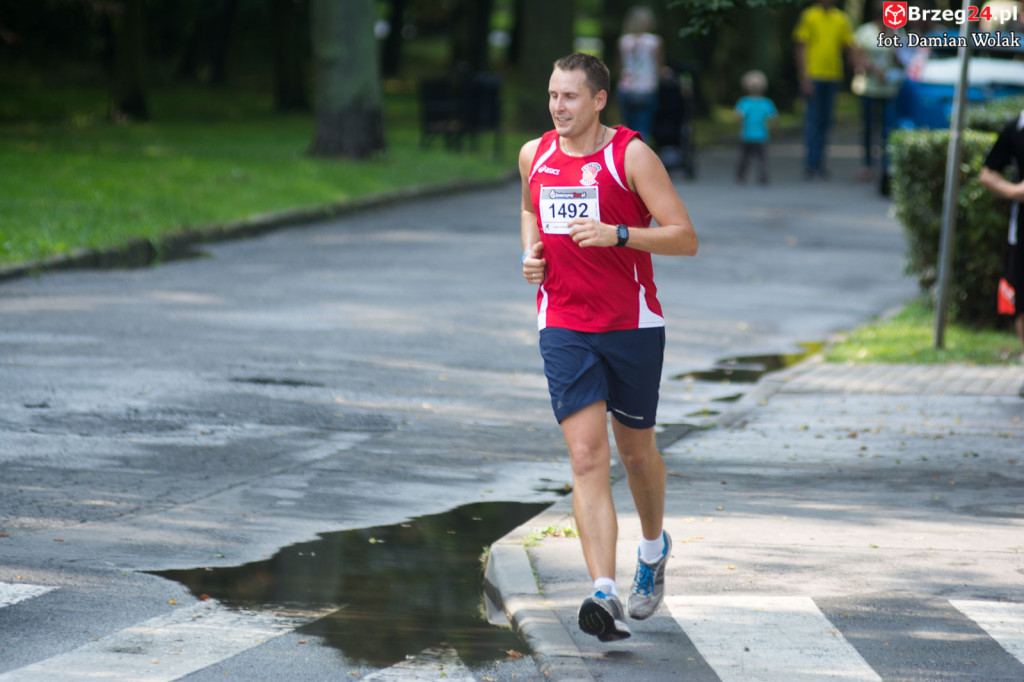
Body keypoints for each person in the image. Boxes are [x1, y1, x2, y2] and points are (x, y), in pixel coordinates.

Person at [519, 53, 698, 641]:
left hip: (631, 324)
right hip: (564, 323)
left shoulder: (630, 156)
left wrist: (618, 233)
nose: (558, 108)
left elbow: (684, 237)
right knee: (587, 457)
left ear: (599, 100)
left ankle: (652, 549)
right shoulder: (535, 154)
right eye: (552, 96)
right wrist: (532, 253)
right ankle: (603, 590)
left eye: (570, 97)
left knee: (637, 453)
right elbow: (528, 208)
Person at [978, 113, 1024, 388]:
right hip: (1022, 231)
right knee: (1021, 299)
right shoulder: (1016, 129)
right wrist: (1013, 191)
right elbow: (987, 174)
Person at [793, 0, 855, 179]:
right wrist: (804, 77)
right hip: (814, 76)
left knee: (826, 121)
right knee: (813, 120)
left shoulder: (841, 18)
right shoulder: (809, 16)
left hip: (833, 76)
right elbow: (801, 47)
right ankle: (810, 163)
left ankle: (820, 162)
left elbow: (848, 45)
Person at [852, 11, 902, 186]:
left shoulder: (896, 31)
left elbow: (901, 59)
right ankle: (867, 164)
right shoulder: (865, 32)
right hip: (868, 87)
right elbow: (855, 56)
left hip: (889, 89)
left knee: (887, 129)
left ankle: (886, 166)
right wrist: (873, 68)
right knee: (868, 127)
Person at [616, 6, 664, 142]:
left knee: (628, 130)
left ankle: (627, 159)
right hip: (647, 88)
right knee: (643, 128)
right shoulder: (655, 41)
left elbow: (620, 67)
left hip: (626, 87)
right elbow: (658, 67)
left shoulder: (623, 41)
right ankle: (642, 158)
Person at [734, 70, 778, 185]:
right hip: (761, 135)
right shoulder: (766, 103)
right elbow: (772, 119)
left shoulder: (744, 102)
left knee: (744, 158)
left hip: (747, 135)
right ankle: (763, 176)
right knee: (762, 158)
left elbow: (738, 116)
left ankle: (741, 174)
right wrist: (775, 131)